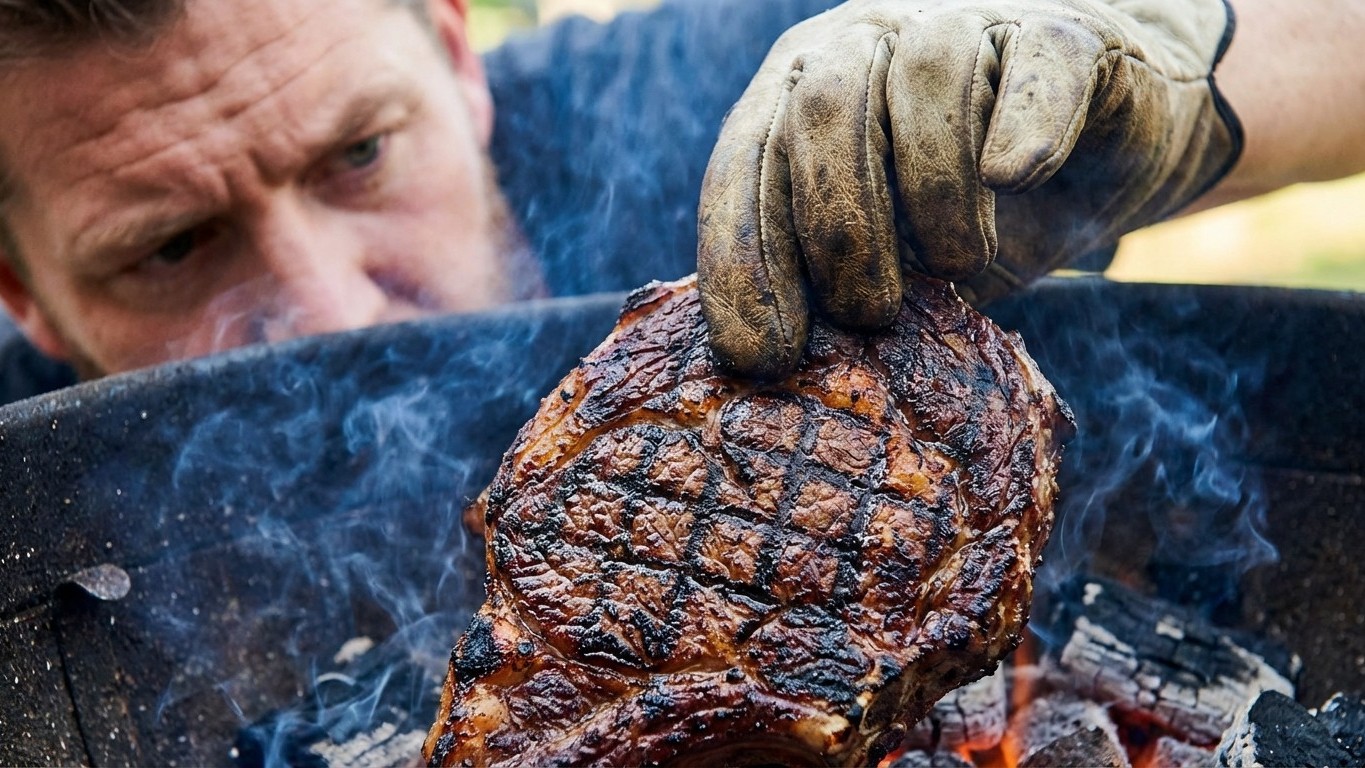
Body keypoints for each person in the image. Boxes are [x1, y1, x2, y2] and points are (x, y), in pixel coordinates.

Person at [0, 0, 1360, 406]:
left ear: (455, 55)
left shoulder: (735, 115)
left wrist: (1174, 62)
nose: (328, 313)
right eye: (169, 248)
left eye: (357, 157)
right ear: (27, 299)